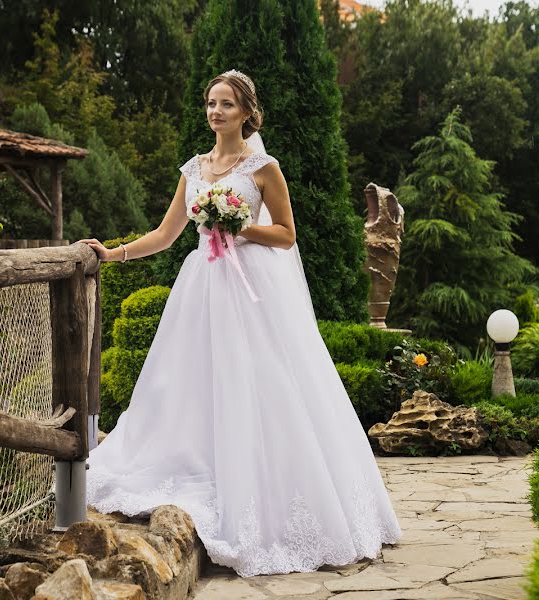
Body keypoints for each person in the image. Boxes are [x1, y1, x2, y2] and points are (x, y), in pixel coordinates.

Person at [78, 70, 401, 577]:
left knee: (262, 386)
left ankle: (263, 491)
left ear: (247, 112)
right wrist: (113, 253)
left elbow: (287, 235)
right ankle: (195, 468)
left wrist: (239, 226)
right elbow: (165, 235)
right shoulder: (194, 169)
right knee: (190, 386)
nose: (215, 112)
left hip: (253, 290)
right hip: (202, 287)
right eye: (210, 103)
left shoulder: (264, 168)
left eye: (226, 104)